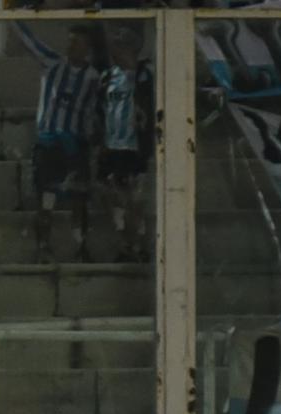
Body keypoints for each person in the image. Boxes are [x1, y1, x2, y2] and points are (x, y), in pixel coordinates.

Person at [15, 22, 102, 263]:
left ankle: (81, 247)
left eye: (78, 42)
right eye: (70, 40)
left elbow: (93, 111)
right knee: (46, 199)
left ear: (88, 48)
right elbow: (29, 39)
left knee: (78, 200)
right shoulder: (53, 63)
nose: (71, 45)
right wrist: (12, 14)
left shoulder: (93, 77)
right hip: (49, 145)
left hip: (75, 148)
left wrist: (91, 139)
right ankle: (43, 247)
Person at [99, 26, 154, 263]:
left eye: (121, 43)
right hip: (113, 146)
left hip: (137, 148)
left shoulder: (146, 74)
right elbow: (100, 109)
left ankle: (139, 245)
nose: (116, 49)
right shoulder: (107, 76)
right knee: (112, 194)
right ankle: (124, 242)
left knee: (136, 198)